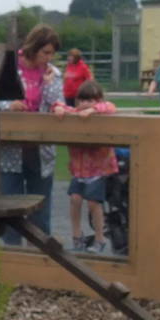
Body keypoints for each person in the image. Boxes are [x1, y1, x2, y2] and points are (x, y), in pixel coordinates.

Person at [0, 24, 62, 245]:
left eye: (52, 53)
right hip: (10, 149)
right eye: (45, 52)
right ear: (33, 48)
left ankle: (42, 261)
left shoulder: (52, 73)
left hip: (41, 149)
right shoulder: (7, 68)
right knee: (10, 208)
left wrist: (49, 85)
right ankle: (13, 264)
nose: (49, 57)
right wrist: (9, 105)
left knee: (41, 211)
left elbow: (57, 105)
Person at [54, 79, 119, 252]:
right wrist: (58, 109)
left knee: (93, 203)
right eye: (82, 100)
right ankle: (77, 235)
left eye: (89, 100)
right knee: (75, 199)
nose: (84, 104)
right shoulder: (75, 113)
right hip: (79, 170)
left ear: (97, 100)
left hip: (98, 170)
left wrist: (92, 110)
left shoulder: (101, 111)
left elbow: (111, 107)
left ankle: (100, 238)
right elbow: (58, 105)